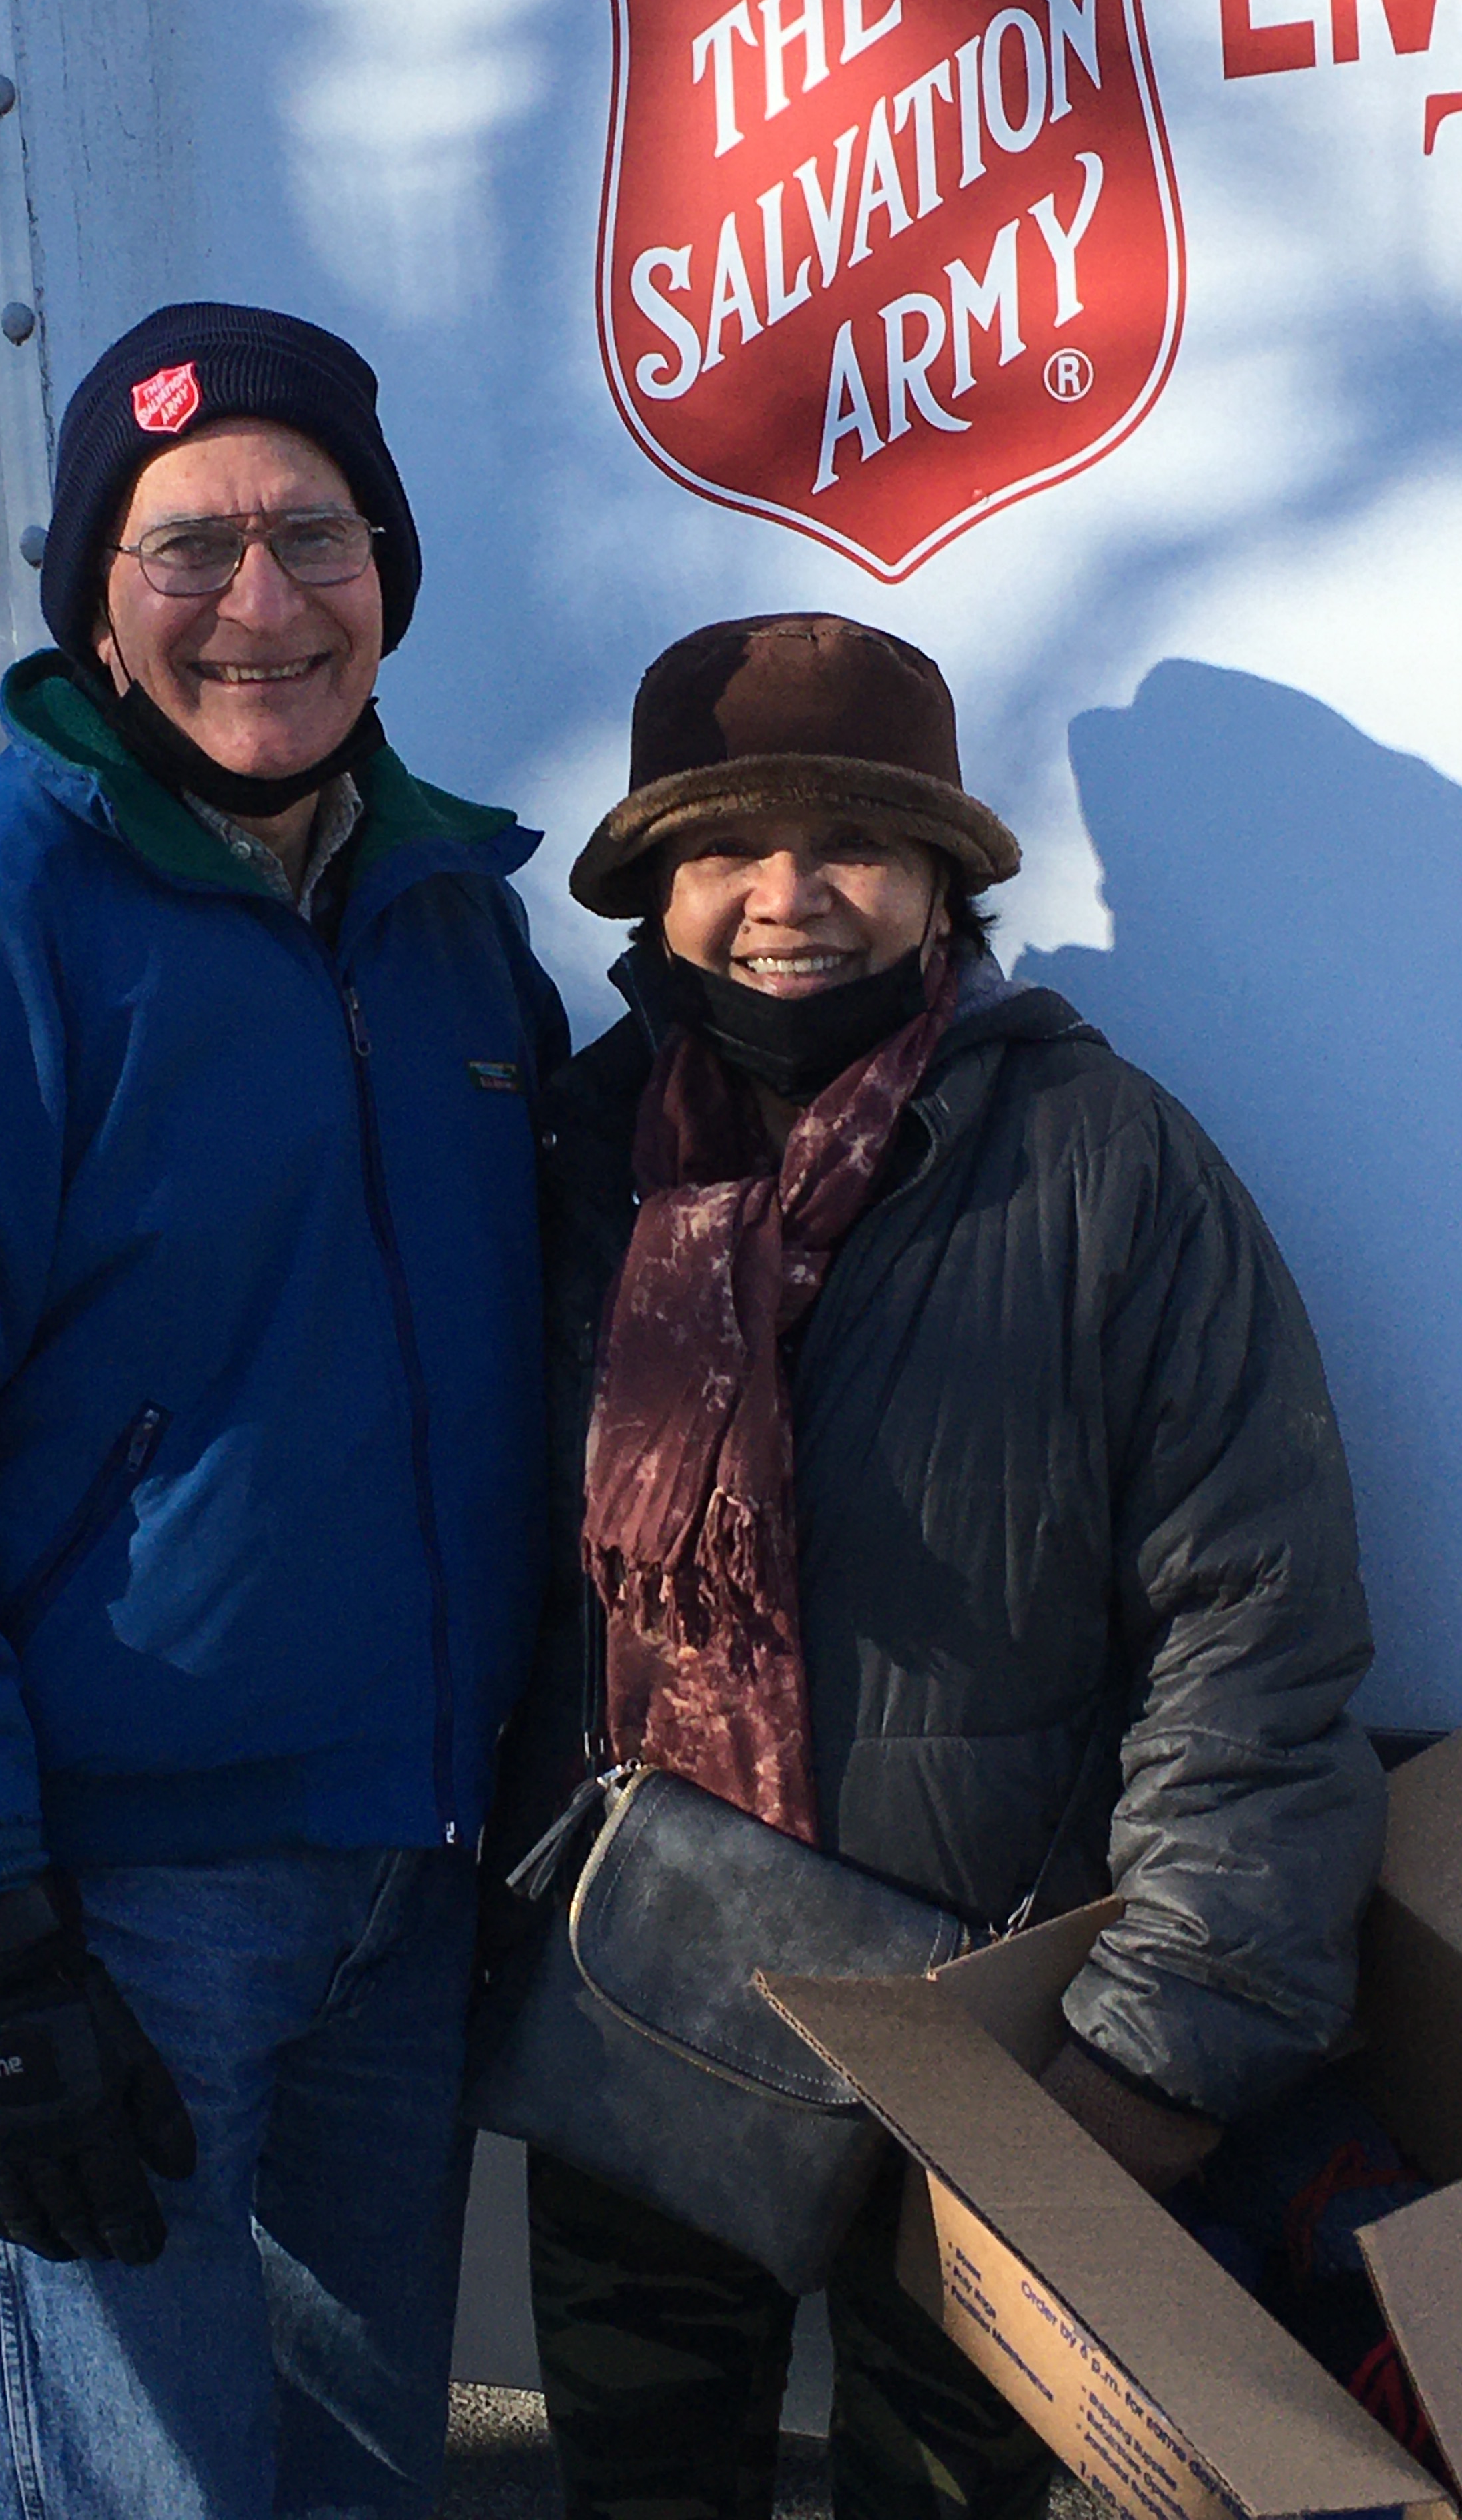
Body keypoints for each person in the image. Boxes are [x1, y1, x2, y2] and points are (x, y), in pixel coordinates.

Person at [0, 301, 566, 2520]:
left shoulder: (452, 920)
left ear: (392, 569)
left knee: (362, 2485)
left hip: (404, 1872)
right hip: (118, 1905)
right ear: (94, 591)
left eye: (315, 536)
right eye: (187, 551)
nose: (259, 606)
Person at [483, 612, 1384, 2520]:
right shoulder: (563, 1160)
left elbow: (1257, 1626)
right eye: (725, 849)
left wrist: (1158, 2048)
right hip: (633, 2009)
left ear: (940, 881)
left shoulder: (1104, 1167)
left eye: (855, 847)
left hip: (994, 2046)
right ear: (656, 883)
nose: (787, 897)